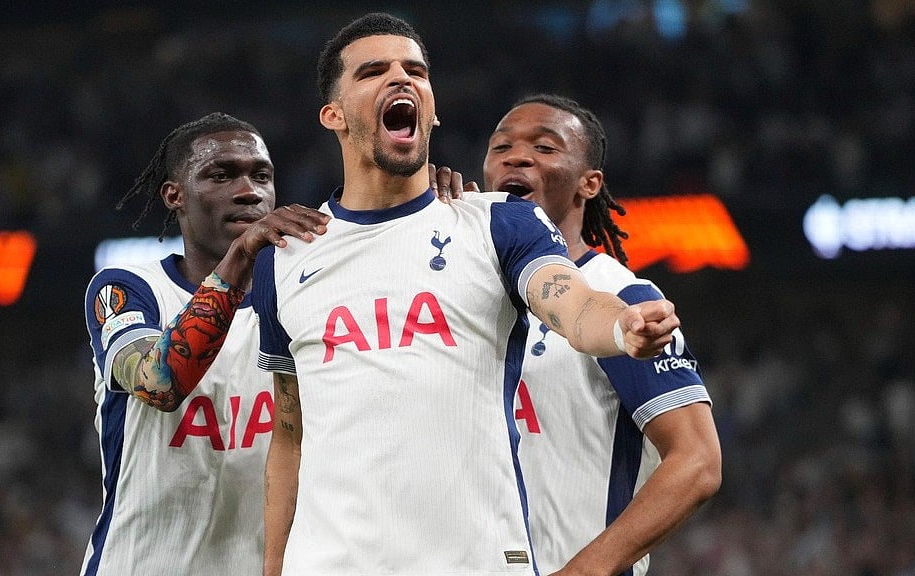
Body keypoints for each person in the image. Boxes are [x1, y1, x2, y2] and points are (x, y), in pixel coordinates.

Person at [254, 13, 681, 576]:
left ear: (432, 108)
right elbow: (290, 435)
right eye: (373, 72)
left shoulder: (498, 224)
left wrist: (622, 327)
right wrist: (274, 567)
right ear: (334, 115)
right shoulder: (284, 258)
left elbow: (573, 303)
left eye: (415, 71)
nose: (401, 79)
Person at [482, 94, 722, 575]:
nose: (517, 156)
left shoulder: (622, 297)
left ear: (589, 183)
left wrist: (584, 570)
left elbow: (697, 461)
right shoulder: (462, 295)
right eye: (501, 147)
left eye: (545, 148)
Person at [80, 112, 329, 575]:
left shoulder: (301, 301)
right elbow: (158, 383)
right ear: (174, 195)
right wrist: (241, 256)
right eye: (221, 175)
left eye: (262, 176)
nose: (249, 191)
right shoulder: (129, 288)